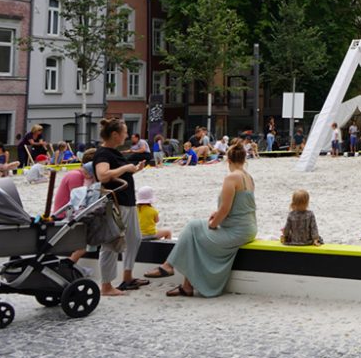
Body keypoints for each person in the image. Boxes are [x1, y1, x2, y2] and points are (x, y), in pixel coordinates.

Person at [146, 141, 257, 297]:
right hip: (249, 228)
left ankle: (169, 265)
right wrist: (216, 214)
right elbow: (240, 206)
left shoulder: (231, 178)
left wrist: (213, 224)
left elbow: (225, 210)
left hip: (236, 232)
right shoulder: (248, 177)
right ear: (244, 159)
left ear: (228, 160)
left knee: (193, 227)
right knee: (195, 231)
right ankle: (186, 286)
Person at [93, 117, 148, 296]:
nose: (127, 135)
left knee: (135, 238)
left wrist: (134, 169)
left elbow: (116, 173)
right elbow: (103, 175)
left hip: (127, 201)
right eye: (124, 132)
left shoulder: (114, 152)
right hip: (115, 203)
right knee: (111, 242)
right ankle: (106, 286)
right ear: (115, 134)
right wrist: (125, 169)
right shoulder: (103, 153)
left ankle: (127, 276)